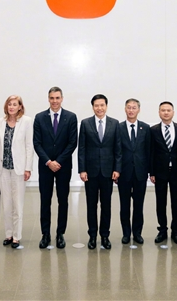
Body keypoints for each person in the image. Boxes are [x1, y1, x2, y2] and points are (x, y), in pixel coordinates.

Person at [33, 86, 78, 249]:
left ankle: (60, 234)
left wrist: (58, 161)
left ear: (62, 99)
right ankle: (45, 234)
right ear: (48, 99)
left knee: (62, 200)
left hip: (63, 166)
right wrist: (48, 162)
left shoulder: (71, 117)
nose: (54, 101)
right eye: (52, 98)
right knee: (45, 200)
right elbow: (37, 143)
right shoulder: (39, 117)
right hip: (45, 166)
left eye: (57, 98)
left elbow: (72, 143)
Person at [78, 94, 122, 250]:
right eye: (96, 105)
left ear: (106, 106)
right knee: (91, 205)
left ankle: (105, 236)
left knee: (106, 205)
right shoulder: (85, 123)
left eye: (102, 105)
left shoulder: (114, 124)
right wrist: (82, 169)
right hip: (90, 172)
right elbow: (82, 148)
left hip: (108, 172)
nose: (99, 108)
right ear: (93, 107)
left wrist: (117, 169)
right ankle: (92, 236)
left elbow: (118, 149)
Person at [0, 95, 34, 248]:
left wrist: (28, 168)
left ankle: (17, 236)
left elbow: (29, 146)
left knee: (17, 204)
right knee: (6, 204)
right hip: (3, 169)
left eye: (14, 104)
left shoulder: (26, 121)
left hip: (19, 169)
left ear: (20, 107)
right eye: (9, 104)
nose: (11, 107)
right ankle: (8, 234)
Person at [150, 101, 177, 245]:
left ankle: (175, 231)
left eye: (168, 110)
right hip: (160, 172)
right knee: (161, 202)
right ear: (159, 112)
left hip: (176, 171)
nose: (166, 112)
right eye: (163, 110)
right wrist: (151, 172)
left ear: (173, 112)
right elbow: (151, 152)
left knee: (176, 202)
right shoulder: (153, 130)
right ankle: (162, 230)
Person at [118, 98, 151, 245]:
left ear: (139, 110)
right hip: (124, 172)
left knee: (139, 205)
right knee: (124, 205)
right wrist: (116, 170)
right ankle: (126, 233)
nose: (131, 110)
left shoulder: (146, 128)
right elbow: (116, 151)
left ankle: (137, 233)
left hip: (140, 172)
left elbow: (148, 151)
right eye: (129, 107)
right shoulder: (118, 127)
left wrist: (150, 172)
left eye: (134, 108)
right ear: (125, 109)